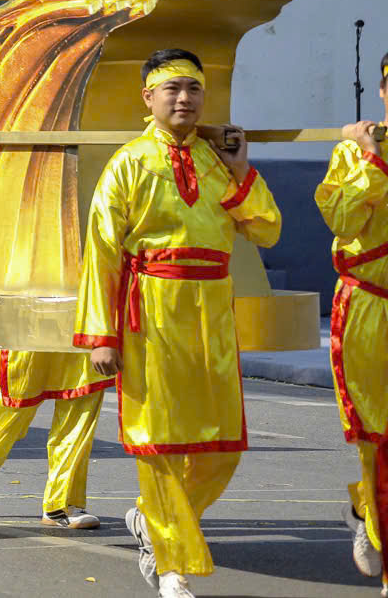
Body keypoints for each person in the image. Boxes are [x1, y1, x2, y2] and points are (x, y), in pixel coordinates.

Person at [73, 48, 278, 598]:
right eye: (172, 89)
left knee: (222, 445)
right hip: (151, 313)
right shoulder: (128, 164)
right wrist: (101, 334)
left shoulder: (219, 160)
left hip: (211, 314)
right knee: (158, 443)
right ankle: (170, 566)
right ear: (149, 98)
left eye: (193, 89)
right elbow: (101, 254)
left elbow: (266, 229)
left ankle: (151, 517)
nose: (184, 99)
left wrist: (240, 171)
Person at [317, 55, 387, 587]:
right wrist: (370, 158)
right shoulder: (350, 153)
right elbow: (343, 220)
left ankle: (369, 511)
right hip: (370, 307)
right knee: (378, 436)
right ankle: (374, 518)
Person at [0, 348, 110, 529]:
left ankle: (62, 503)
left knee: (82, 400)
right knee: (17, 401)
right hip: (36, 328)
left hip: (87, 327)